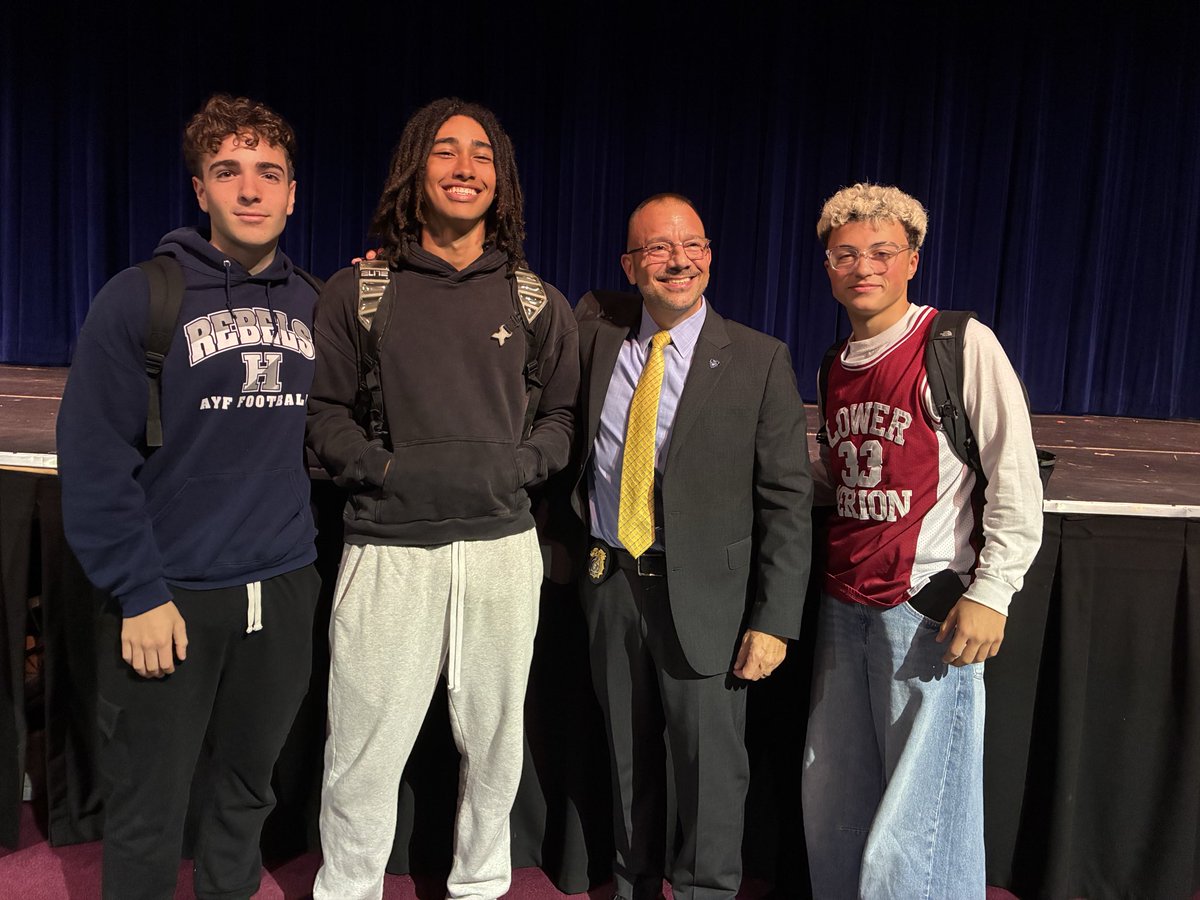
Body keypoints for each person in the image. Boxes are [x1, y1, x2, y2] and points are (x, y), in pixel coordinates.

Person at [306, 97, 579, 900]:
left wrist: (518, 466)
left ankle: (480, 884)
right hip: (389, 550)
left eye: (482, 157)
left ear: (502, 182)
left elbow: (562, 419)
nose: (465, 169)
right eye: (446, 153)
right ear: (413, 171)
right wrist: (386, 473)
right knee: (362, 746)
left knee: (495, 747)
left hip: (500, 549)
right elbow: (322, 417)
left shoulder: (536, 302)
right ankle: (347, 888)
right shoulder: (358, 291)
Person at [56, 93, 320, 900]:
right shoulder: (141, 297)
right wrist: (138, 592)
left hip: (280, 591)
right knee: (149, 805)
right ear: (200, 189)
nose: (250, 189)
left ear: (291, 192)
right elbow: (95, 460)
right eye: (227, 171)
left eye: (268, 173)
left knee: (247, 791)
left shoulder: (315, 302)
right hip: (168, 599)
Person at [801, 182, 1044, 899]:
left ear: (912, 260)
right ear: (827, 268)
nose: (863, 267)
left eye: (882, 252)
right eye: (846, 254)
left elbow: (1013, 472)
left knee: (920, 830)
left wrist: (993, 590)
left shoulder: (958, 343)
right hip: (844, 608)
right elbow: (843, 477)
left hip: (925, 611)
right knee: (836, 811)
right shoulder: (834, 364)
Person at [572, 193, 812, 900]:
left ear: (709, 255)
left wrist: (773, 619)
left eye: (693, 246)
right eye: (657, 248)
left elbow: (787, 500)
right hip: (610, 583)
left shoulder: (760, 360)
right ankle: (632, 884)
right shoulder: (593, 335)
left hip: (710, 597)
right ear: (629, 265)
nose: (678, 261)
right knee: (624, 758)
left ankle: (707, 891)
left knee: (711, 769)